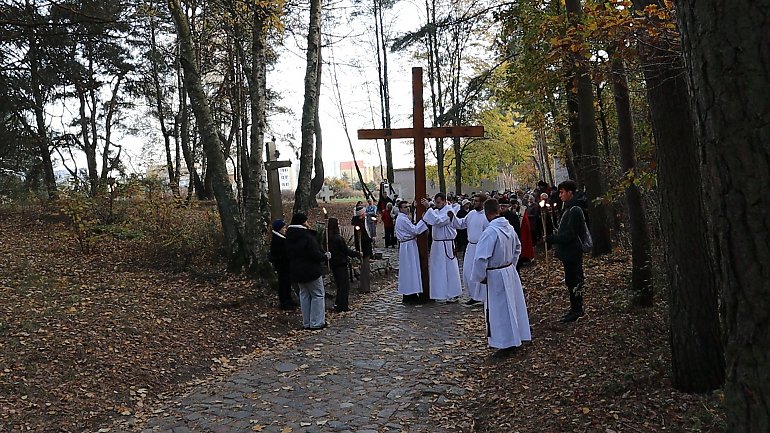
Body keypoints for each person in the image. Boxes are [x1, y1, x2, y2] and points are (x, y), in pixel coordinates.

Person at [470, 198, 532, 358]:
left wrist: (481, 276)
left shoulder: (490, 232)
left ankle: (504, 342)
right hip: (508, 272)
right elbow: (518, 248)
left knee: (499, 310)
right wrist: (511, 265)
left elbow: (480, 258)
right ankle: (515, 337)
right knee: (511, 306)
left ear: (486, 213)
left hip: (495, 275)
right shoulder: (509, 228)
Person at [546, 180, 588, 323]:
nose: (560, 195)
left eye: (562, 192)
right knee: (571, 281)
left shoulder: (575, 209)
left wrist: (554, 239)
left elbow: (571, 235)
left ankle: (577, 309)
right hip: (568, 253)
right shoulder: (568, 208)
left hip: (573, 252)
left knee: (575, 280)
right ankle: (574, 308)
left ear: (570, 193)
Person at [285, 213, 329, 330]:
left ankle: (307, 321)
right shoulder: (307, 236)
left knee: (304, 295)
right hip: (311, 270)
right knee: (317, 295)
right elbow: (314, 254)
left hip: (296, 270)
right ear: (303, 222)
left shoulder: (289, 236)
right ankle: (317, 322)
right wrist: (325, 256)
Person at [420, 193, 462, 303]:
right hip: (437, 244)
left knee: (449, 269)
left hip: (446, 244)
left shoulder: (449, 211)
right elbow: (429, 219)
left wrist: (428, 208)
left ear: (444, 201)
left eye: (439, 202)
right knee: (437, 269)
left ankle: (452, 293)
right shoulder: (437, 211)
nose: (437, 205)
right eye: (436, 202)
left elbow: (438, 221)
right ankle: (439, 293)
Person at [452, 193, 489, 306]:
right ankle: (473, 295)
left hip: (481, 247)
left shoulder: (486, 216)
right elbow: (461, 224)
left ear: (483, 203)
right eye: (474, 200)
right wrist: (452, 217)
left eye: (477, 201)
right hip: (470, 246)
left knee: (480, 272)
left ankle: (482, 297)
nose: (474, 203)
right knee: (468, 272)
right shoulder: (471, 214)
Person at [395, 200, 429, 303]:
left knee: (411, 269)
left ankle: (411, 293)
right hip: (408, 246)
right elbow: (415, 230)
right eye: (405, 207)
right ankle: (410, 294)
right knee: (410, 270)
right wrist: (424, 220)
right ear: (400, 209)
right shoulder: (402, 219)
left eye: (408, 206)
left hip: (409, 245)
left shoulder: (403, 218)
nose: (407, 208)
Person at [327, 218, 361, 312]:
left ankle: (339, 304)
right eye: (337, 223)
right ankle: (342, 306)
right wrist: (357, 254)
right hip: (340, 263)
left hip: (334, 263)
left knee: (340, 285)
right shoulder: (338, 238)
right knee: (344, 286)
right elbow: (345, 250)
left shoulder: (328, 237)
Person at [269, 219, 296, 310]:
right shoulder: (278, 240)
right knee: (284, 284)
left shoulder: (281, 238)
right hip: (282, 265)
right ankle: (285, 302)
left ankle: (288, 300)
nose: (285, 229)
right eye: (283, 227)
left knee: (287, 283)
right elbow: (280, 253)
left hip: (285, 265)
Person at [351, 206, 373, 292]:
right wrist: (369, 239)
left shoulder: (363, 221)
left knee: (366, 269)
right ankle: (364, 288)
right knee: (364, 268)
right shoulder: (358, 224)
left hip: (366, 248)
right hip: (363, 249)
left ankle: (366, 287)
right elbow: (361, 238)